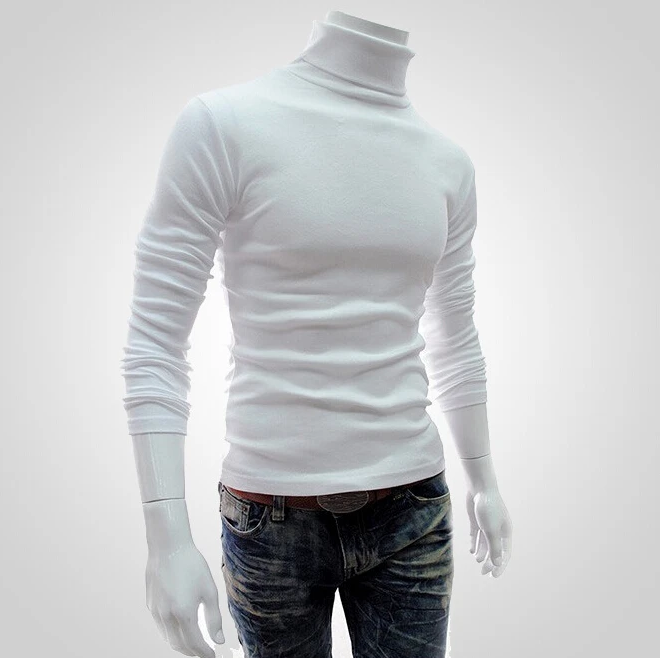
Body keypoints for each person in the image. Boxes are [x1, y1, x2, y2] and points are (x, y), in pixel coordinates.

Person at [121, 9, 513, 658]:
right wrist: (166, 537)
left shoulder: (448, 164)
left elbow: (455, 336)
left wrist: (484, 480)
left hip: (414, 507)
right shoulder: (224, 124)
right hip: (271, 516)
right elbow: (156, 341)